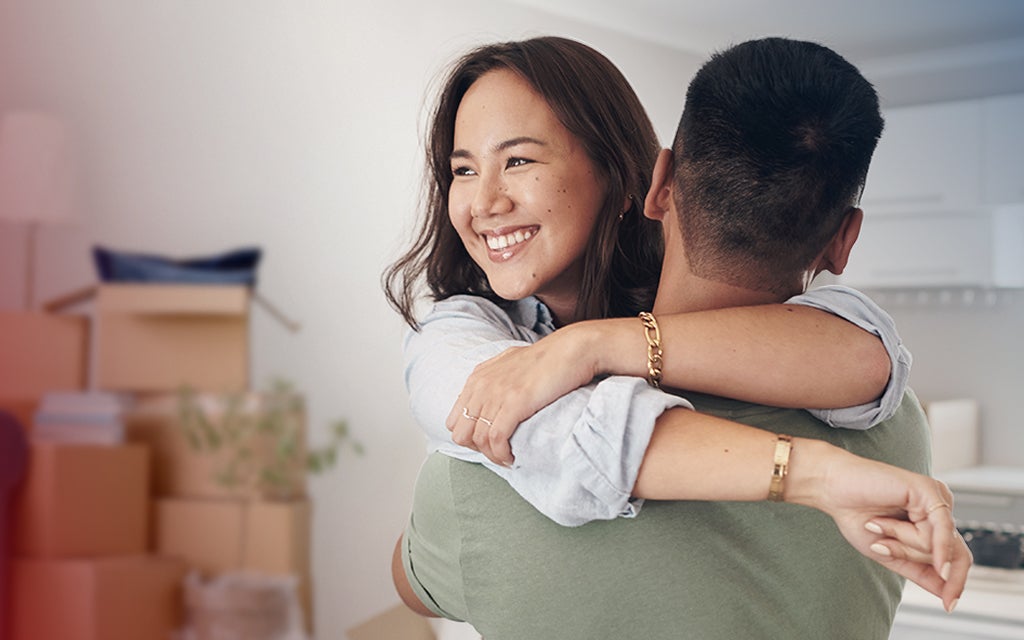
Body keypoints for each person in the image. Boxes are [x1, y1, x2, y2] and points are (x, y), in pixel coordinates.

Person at [387, 36, 970, 637]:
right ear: (845, 239)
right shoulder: (894, 429)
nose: (484, 202)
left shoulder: (479, 467)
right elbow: (874, 358)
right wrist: (817, 474)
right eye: (462, 169)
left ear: (651, 181)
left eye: (519, 160)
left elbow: (415, 581)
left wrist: (591, 344)